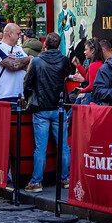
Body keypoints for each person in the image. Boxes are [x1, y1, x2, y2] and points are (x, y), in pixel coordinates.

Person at [23, 33, 72, 193]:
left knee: (40, 148)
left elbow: (27, 83)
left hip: (41, 107)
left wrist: (29, 97)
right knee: (63, 146)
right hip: (58, 106)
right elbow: (66, 76)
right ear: (58, 46)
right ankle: (66, 179)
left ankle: (36, 182)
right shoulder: (64, 60)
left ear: (45, 45)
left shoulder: (37, 61)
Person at [0, 23, 32, 103]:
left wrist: (19, 61)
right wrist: (28, 58)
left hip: (21, 95)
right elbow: (13, 66)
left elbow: (29, 67)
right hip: (4, 96)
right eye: (18, 34)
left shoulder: (19, 49)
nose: (20, 36)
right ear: (10, 34)